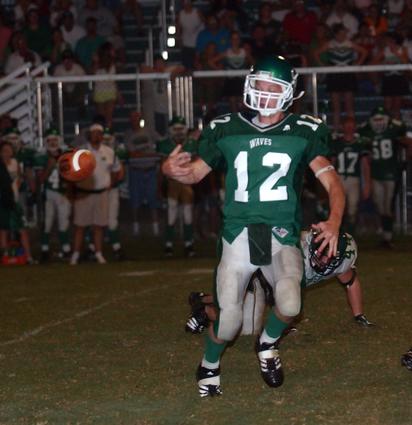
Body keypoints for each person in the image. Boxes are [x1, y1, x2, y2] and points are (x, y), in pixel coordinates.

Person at [162, 56, 345, 397]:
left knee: (290, 304)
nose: (263, 91)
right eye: (259, 83)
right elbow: (194, 173)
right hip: (238, 235)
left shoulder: (304, 129)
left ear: (289, 93)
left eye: (272, 86)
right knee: (229, 323)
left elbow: (333, 182)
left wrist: (334, 221)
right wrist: (170, 171)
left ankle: (267, 342)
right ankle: (209, 364)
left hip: (281, 234)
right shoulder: (227, 127)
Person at [185, 230, 374, 336]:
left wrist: (359, 315)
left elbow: (351, 282)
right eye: (320, 252)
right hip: (261, 270)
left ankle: (201, 299)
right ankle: (205, 312)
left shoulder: (341, 263)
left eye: (329, 255)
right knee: (243, 323)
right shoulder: (296, 249)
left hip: (277, 281)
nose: (323, 260)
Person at [358, 106, 411, 248]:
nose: (378, 122)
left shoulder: (394, 128)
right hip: (376, 174)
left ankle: (387, 237)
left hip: (391, 173)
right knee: (379, 205)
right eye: (376, 120)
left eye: (381, 119)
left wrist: (406, 158)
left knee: (387, 206)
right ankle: (386, 234)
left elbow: (407, 141)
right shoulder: (366, 129)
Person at [70, 121, 121, 265]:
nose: (97, 136)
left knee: (99, 226)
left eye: (99, 134)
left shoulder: (109, 152)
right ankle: (75, 255)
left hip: (101, 193)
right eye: (94, 134)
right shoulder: (81, 152)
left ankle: (98, 253)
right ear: (89, 135)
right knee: (80, 225)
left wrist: (110, 183)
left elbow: (116, 170)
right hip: (84, 193)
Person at [157, 116, 198, 257]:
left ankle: (188, 244)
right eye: (176, 129)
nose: (179, 132)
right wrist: (159, 186)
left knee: (187, 213)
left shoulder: (192, 143)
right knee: (171, 212)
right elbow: (162, 167)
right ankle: (168, 244)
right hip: (172, 182)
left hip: (187, 182)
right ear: (170, 130)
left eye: (181, 128)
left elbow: (197, 165)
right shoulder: (165, 144)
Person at [330, 117, 371, 234]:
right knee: (339, 208)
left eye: (351, 126)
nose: (349, 129)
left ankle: (350, 235)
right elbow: (331, 163)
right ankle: (340, 235)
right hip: (339, 178)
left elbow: (365, 166)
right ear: (342, 127)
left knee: (353, 209)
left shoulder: (360, 144)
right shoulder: (337, 143)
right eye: (347, 126)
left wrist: (367, 184)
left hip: (354, 179)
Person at [36, 128, 71, 261]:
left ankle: (66, 250)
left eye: (55, 140)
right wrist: (49, 167)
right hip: (49, 193)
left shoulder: (67, 155)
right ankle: (44, 250)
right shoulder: (41, 157)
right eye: (50, 140)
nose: (52, 142)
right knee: (47, 222)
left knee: (63, 222)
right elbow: (40, 180)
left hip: (63, 193)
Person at [124, 111, 160, 237]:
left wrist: (154, 154)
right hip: (136, 171)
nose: (135, 120)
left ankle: (156, 228)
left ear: (140, 119)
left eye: (137, 118)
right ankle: (136, 227)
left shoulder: (149, 131)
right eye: (132, 118)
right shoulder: (128, 134)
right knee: (135, 201)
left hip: (150, 170)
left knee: (153, 200)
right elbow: (131, 153)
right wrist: (151, 154)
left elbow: (161, 142)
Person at [0, 141, 35, 264]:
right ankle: (5, 256)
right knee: (3, 230)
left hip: (14, 200)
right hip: (3, 201)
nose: (7, 153)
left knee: (22, 229)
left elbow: (20, 177)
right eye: (4, 150)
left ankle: (29, 257)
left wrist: (16, 187)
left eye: (9, 150)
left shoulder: (15, 163)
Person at [102, 127, 126, 259]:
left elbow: (121, 174)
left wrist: (111, 182)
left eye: (108, 138)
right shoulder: (94, 152)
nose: (106, 141)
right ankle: (93, 248)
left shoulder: (116, 152)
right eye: (104, 138)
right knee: (95, 220)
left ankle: (116, 247)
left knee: (112, 220)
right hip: (98, 191)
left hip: (112, 189)